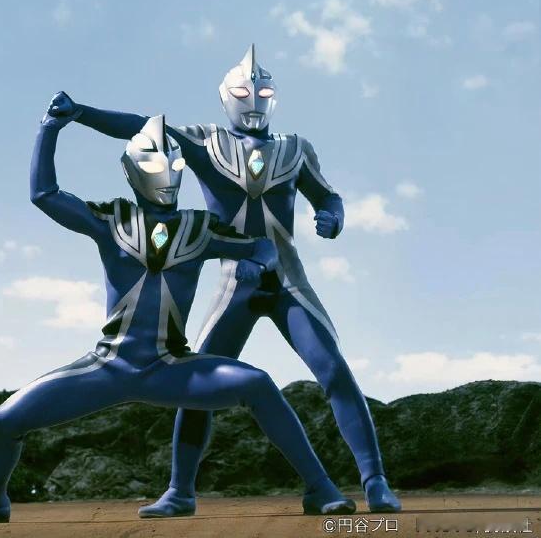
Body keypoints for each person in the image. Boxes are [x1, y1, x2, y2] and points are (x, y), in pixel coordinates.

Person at [0, 101, 355, 524]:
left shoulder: (198, 227)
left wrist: (259, 262)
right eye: (155, 165)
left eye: (173, 164)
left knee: (258, 384)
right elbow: (44, 194)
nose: (166, 174)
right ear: (133, 171)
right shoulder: (112, 220)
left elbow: (261, 244)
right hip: (109, 365)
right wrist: (49, 129)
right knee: (4, 420)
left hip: (168, 367)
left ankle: (320, 487)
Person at [59, 44, 401, 515]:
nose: (254, 99)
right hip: (234, 284)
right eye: (243, 92)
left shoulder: (295, 149)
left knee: (333, 370)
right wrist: (81, 113)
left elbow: (327, 196)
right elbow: (144, 127)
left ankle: (375, 480)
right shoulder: (206, 142)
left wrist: (332, 216)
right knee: (197, 387)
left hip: (288, 282)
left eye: (263, 92)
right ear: (226, 96)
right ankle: (180, 490)